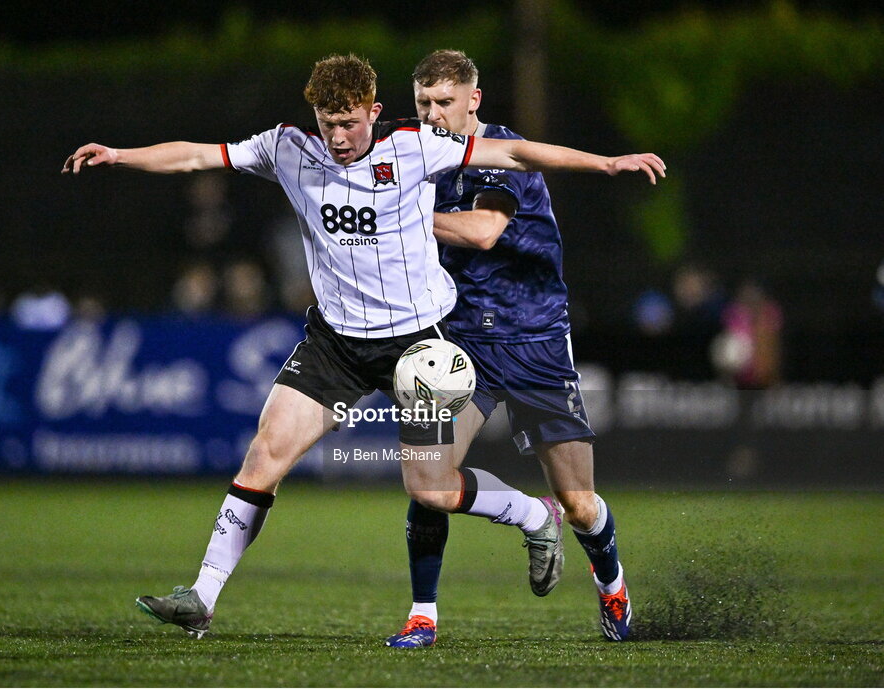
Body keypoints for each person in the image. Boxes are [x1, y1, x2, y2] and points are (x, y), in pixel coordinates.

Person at [62, 54, 664, 639]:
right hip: (336, 344)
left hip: (421, 345)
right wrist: (119, 155)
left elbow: (516, 152)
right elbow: (197, 155)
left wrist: (607, 165)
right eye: (328, 124)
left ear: (374, 112)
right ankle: (203, 595)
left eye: (350, 123)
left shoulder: (413, 147)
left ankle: (535, 515)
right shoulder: (286, 147)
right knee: (264, 454)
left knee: (432, 488)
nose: (340, 136)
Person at [385, 50, 648, 647]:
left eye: (444, 103)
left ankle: (611, 585)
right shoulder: (415, 152)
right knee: (428, 477)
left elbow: (483, 232)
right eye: (423, 103)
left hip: (534, 340)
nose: (431, 115)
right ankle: (422, 614)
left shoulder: (500, 154)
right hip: (459, 340)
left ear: (473, 100)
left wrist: (404, 215)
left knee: (579, 503)